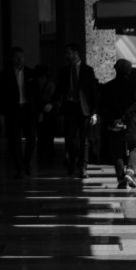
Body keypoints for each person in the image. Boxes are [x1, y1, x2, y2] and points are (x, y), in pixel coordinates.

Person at [54, 43, 98, 178]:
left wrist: (94, 112)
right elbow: (59, 90)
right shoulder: (64, 71)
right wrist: (54, 104)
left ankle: (83, 167)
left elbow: (93, 93)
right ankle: (72, 161)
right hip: (70, 108)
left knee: (84, 140)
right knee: (70, 139)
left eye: (69, 53)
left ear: (75, 53)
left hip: (84, 108)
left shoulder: (88, 70)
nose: (67, 56)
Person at [100, 58, 136, 189]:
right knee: (134, 147)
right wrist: (125, 118)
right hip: (131, 123)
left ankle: (121, 179)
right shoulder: (134, 86)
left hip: (114, 123)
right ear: (129, 70)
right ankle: (130, 171)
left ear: (116, 70)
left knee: (116, 150)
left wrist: (114, 119)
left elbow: (102, 107)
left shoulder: (108, 86)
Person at [0, 47, 39, 178]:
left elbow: (37, 93)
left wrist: (39, 111)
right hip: (13, 111)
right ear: (12, 58)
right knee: (15, 141)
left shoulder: (31, 73)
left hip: (28, 110)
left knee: (31, 139)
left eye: (22, 57)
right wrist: (1, 113)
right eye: (17, 57)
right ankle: (19, 168)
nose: (20, 59)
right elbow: (0, 96)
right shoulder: (4, 75)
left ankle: (27, 162)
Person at [34, 63, 56, 162]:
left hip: (37, 109)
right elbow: (53, 96)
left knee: (40, 133)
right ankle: (50, 151)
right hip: (48, 110)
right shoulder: (50, 84)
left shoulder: (34, 82)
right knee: (50, 133)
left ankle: (40, 152)